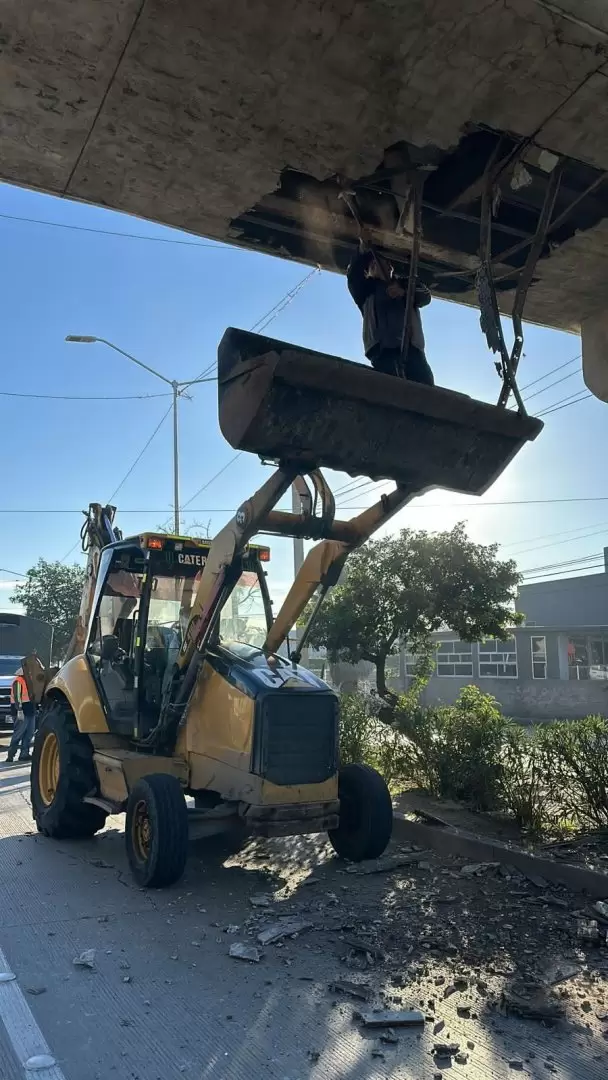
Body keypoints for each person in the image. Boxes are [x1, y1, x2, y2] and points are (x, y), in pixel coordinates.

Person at [347, 234, 434, 384]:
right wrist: (361, 250)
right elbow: (353, 276)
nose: (375, 267)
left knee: (424, 386)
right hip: (383, 351)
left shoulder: (406, 283)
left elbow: (425, 296)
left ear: (390, 268)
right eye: (371, 266)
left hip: (413, 348)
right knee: (392, 386)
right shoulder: (366, 291)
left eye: (378, 264)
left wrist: (405, 292)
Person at [7, 668, 36, 763]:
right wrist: (19, 710)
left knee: (29, 733)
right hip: (22, 710)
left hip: (30, 710)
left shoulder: (29, 682)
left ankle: (24, 754)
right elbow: (17, 697)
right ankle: (11, 755)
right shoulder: (18, 681)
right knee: (18, 734)